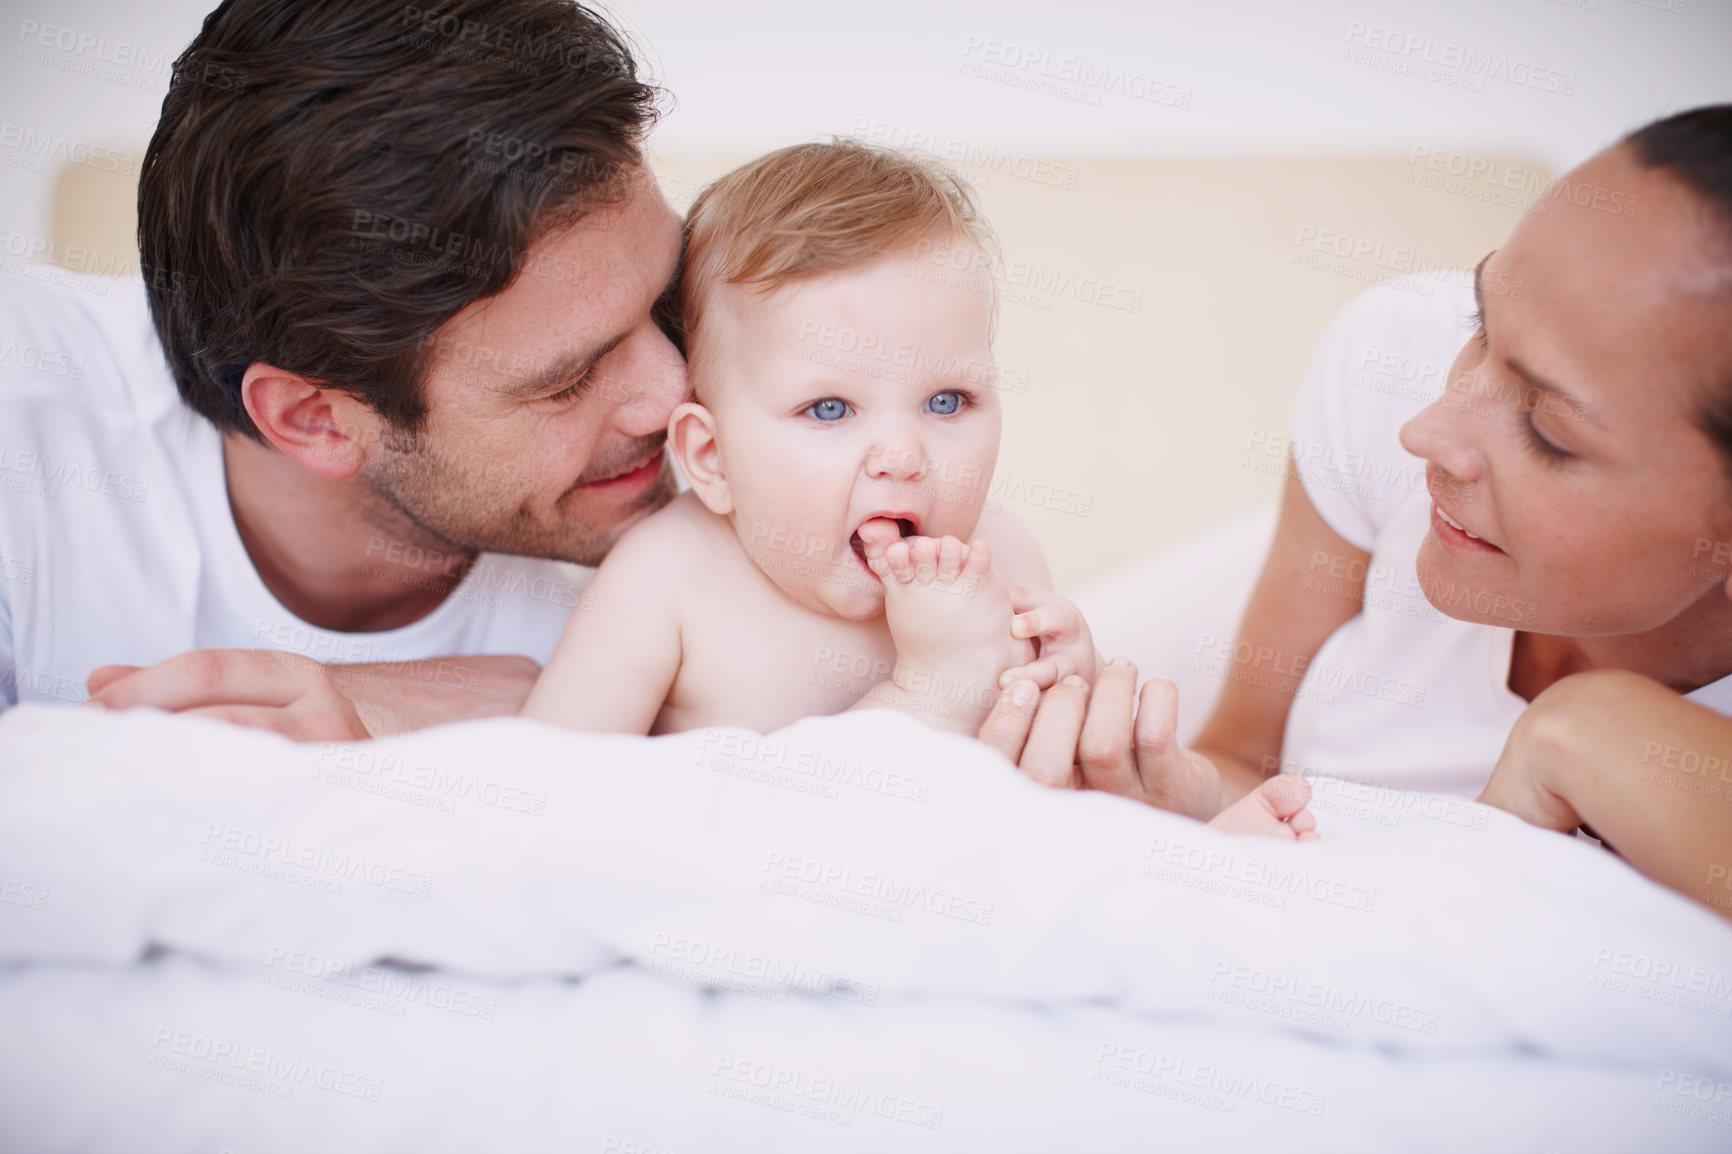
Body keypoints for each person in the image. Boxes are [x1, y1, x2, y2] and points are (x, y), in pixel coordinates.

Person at [976, 106, 1732, 915]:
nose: (1427, 431)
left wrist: (1590, 729)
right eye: (1481, 324)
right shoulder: (1392, 368)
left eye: (1549, 432)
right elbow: (1245, 761)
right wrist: (1188, 801)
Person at [520, 141, 1316, 839]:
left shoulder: (1000, 555)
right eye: (829, 408)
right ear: (713, 457)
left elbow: (1044, 816)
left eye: (948, 402)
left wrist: (1074, 706)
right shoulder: (667, 578)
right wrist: (929, 691)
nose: (904, 457)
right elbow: (545, 807)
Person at [0, 0, 689, 736]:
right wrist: (364, 709)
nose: (677, 391)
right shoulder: (26, 414)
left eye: (671, 301)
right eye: (569, 379)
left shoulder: (756, 452)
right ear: (314, 419)